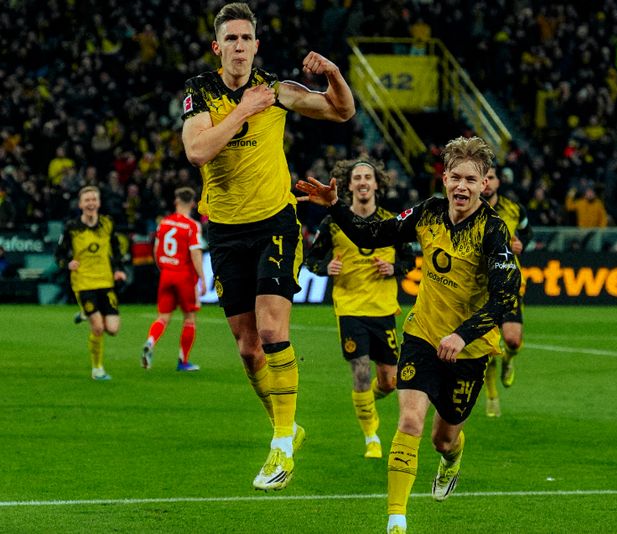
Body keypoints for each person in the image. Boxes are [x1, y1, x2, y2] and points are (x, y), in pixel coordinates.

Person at [296, 136, 521, 534]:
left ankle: (451, 460)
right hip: (422, 335)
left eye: (471, 179)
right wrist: (335, 207)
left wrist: (462, 335)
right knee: (410, 421)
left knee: (442, 440)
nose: (462, 186)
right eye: (455, 177)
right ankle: (396, 520)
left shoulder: (494, 232)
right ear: (445, 178)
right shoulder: (429, 211)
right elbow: (371, 234)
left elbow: (504, 298)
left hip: (469, 350)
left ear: (485, 183)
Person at [180, 2, 355, 491]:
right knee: (248, 348)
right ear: (217, 47)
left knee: (273, 328)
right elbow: (197, 151)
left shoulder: (275, 90)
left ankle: (281, 444)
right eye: (230, 39)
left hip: (275, 221)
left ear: (257, 45)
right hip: (226, 230)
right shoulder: (199, 92)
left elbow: (342, 110)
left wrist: (334, 74)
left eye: (246, 38)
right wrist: (243, 110)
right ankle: (286, 425)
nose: (239, 46)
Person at [305, 158, 415, 459]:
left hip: (383, 309)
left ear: (377, 183)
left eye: (368, 177)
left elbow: (409, 260)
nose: (363, 182)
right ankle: (371, 437)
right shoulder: (333, 222)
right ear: (349, 185)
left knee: (389, 381)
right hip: (350, 308)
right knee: (361, 372)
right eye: (357, 178)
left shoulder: (393, 222)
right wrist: (325, 267)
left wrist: (394, 267)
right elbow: (311, 260)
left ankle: (364, 402)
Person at [55, 185, 127, 381]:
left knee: (113, 329)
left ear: (99, 203)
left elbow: (116, 248)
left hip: (105, 281)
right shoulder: (72, 227)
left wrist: (119, 269)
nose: (91, 203)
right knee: (98, 328)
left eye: (94, 199)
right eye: (87, 200)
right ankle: (97, 369)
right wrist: (67, 263)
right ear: (80, 204)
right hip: (83, 283)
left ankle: (85, 314)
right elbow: (59, 254)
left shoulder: (107, 224)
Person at [482, 164, 533, 417]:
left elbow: (526, 232)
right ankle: (492, 396)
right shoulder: (469, 208)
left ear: (498, 182)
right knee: (487, 345)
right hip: (480, 284)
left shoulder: (515, 209)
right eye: (483, 178)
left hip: (509, 279)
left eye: (491, 177)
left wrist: (522, 244)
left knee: (512, 340)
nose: (487, 182)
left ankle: (509, 360)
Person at [141, 187, 207, 372]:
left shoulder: (164, 222)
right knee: (189, 318)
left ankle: (150, 342)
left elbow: (156, 250)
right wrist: (202, 279)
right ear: (193, 204)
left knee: (163, 317)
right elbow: (195, 254)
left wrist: (163, 268)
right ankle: (183, 361)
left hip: (166, 273)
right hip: (184, 275)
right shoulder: (192, 225)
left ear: (176, 201)